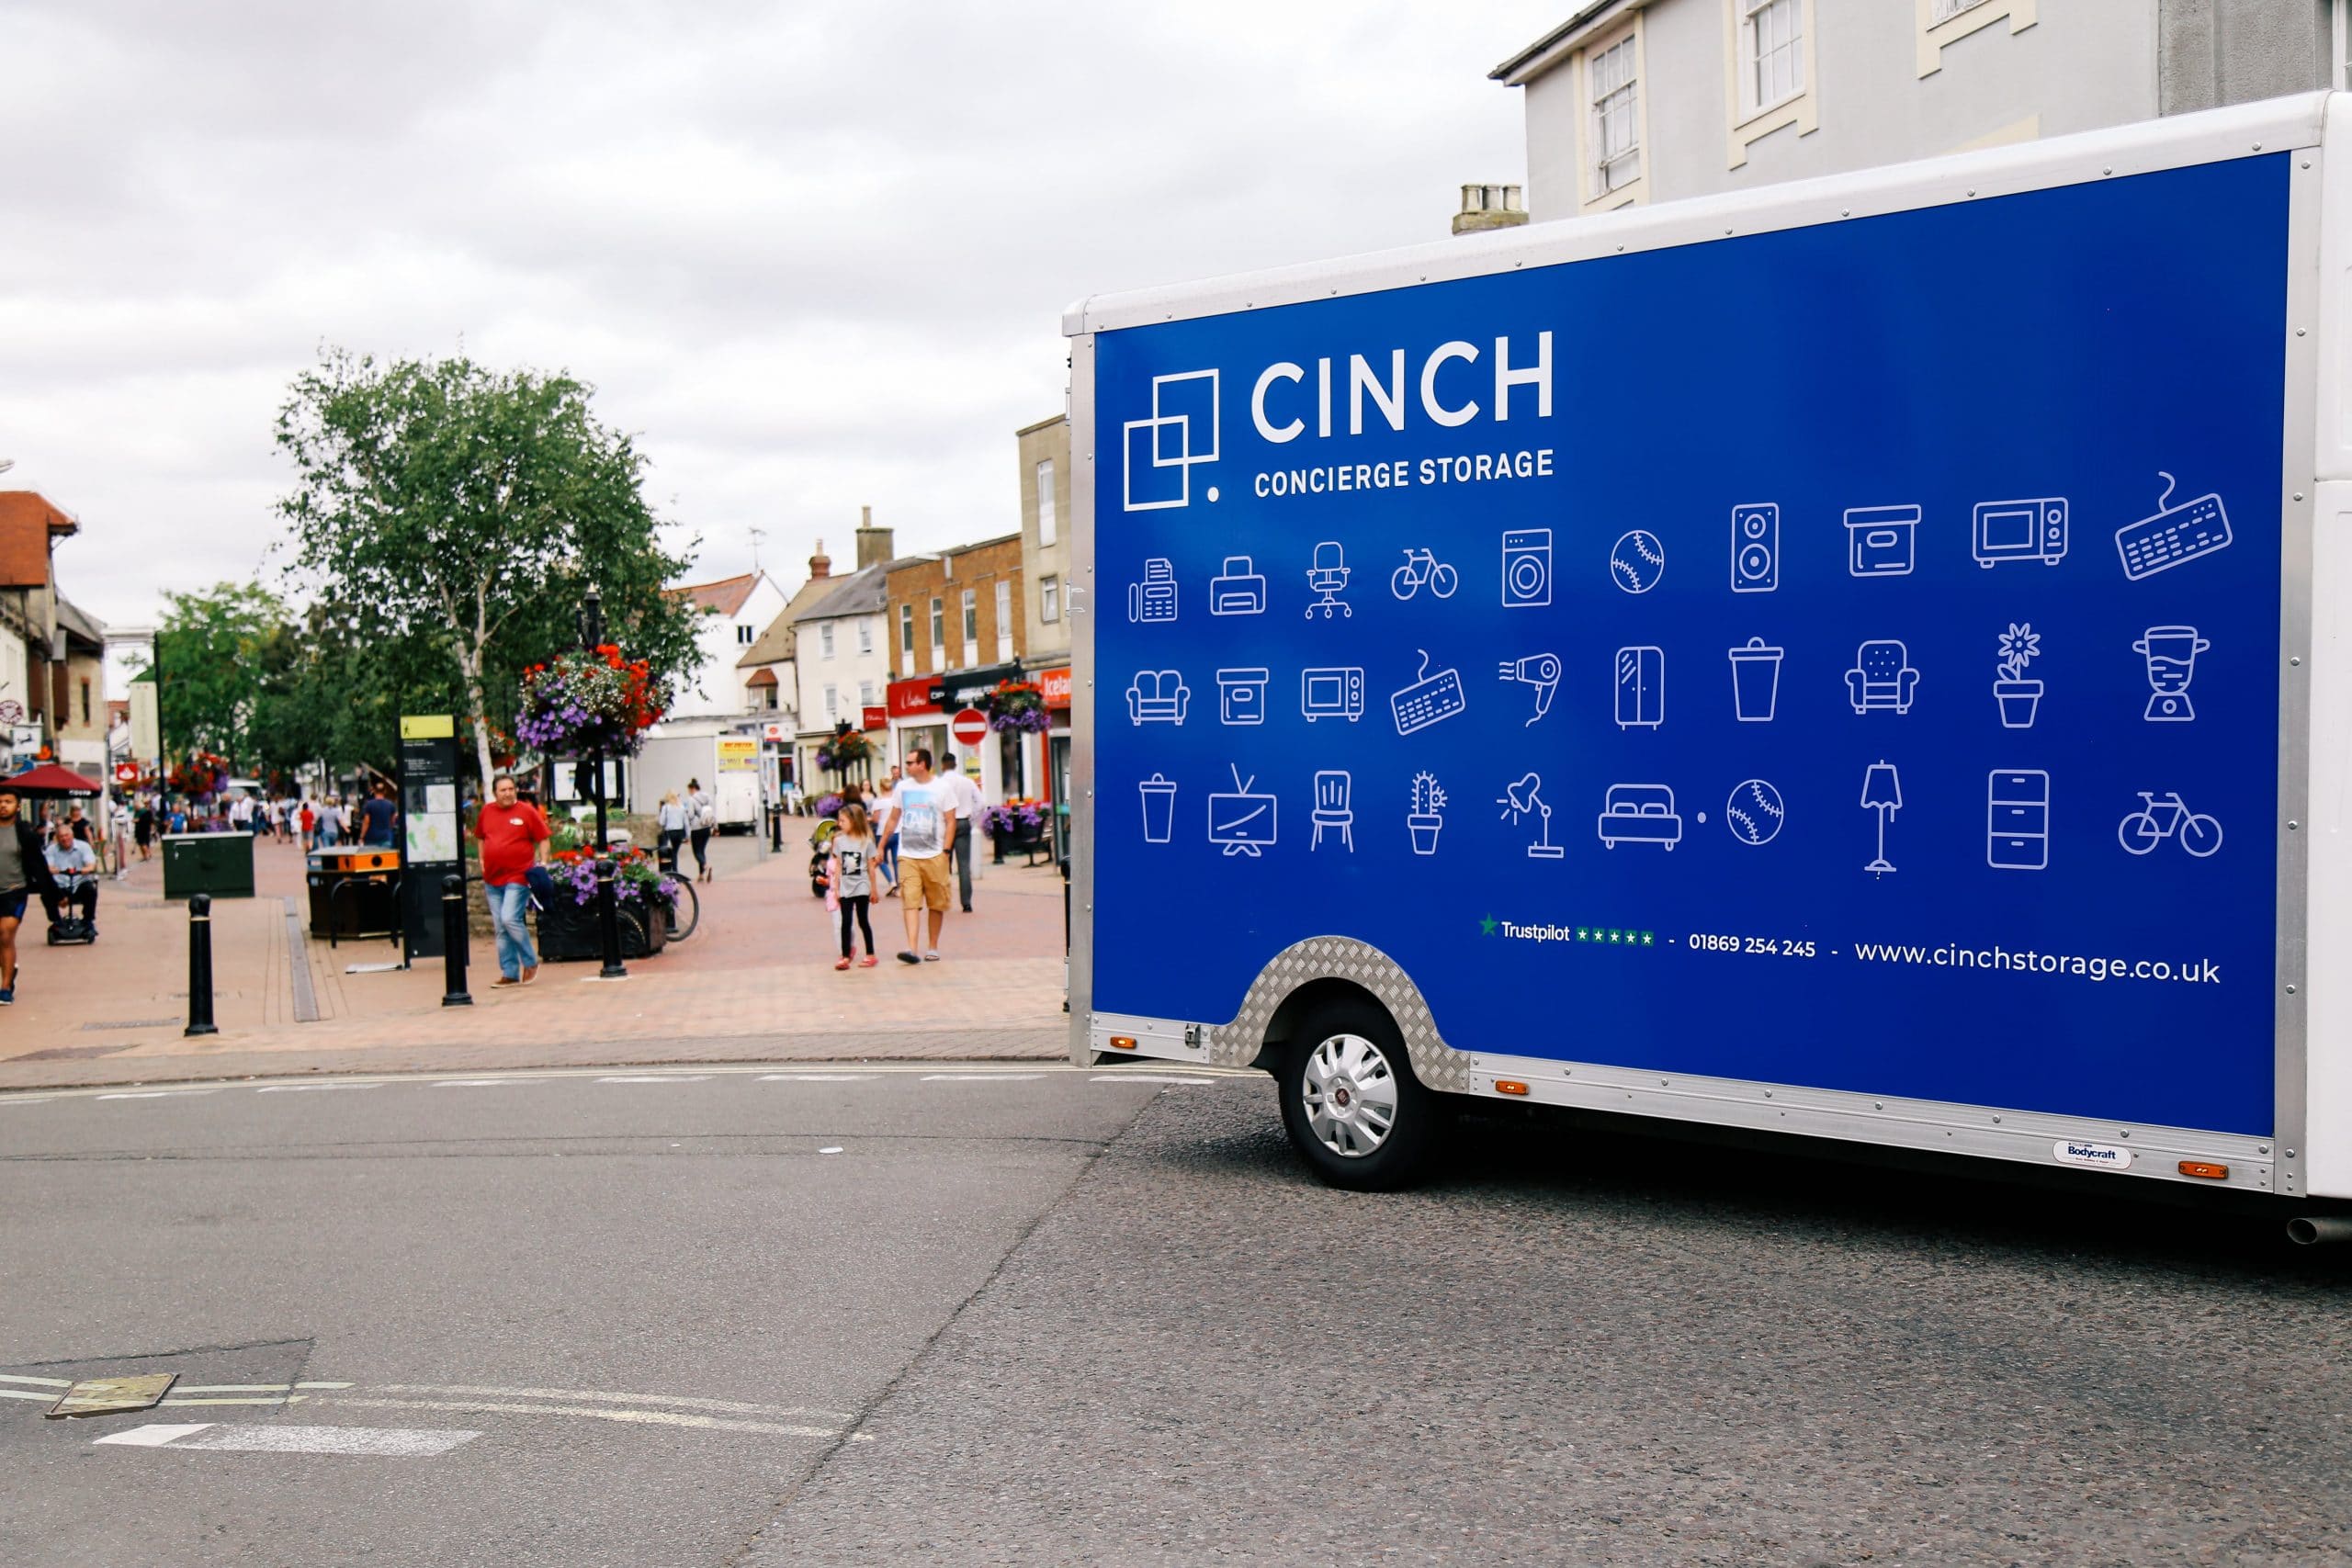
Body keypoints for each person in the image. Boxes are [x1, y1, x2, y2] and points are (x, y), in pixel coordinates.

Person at [876, 748, 956, 964]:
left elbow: (951, 821)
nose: (907, 766)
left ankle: (933, 947)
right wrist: (881, 846)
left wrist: (946, 851)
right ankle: (911, 948)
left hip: (935, 853)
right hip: (908, 854)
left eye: (910, 762)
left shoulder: (942, 788)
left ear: (922, 764)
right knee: (910, 901)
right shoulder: (902, 788)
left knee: (936, 903)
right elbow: (893, 819)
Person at [472, 773, 550, 987]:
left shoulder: (526, 811)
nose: (507, 793)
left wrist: (543, 862)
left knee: (509, 919)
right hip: (493, 878)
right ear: (494, 793)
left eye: (510, 789)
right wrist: (481, 860)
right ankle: (509, 972)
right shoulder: (487, 811)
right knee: (500, 927)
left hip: (519, 875)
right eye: (503, 790)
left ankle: (530, 961)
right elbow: (480, 837)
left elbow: (543, 838)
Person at [0, 788, 55, 1004]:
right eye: (0, 801)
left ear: (17, 805)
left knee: (5, 934)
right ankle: (9, 968)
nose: (3, 805)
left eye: (8, 801)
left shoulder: (24, 833)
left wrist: (53, 896)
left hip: (15, 890)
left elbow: (39, 867)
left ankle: (5, 988)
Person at [826, 801, 878, 970]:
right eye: (839, 821)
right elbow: (839, 865)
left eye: (843, 821)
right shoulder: (839, 842)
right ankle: (845, 955)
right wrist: (836, 888)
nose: (839, 824)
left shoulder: (866, 842)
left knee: (863, 920)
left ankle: (870, 953)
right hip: (846, 888)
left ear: (854, 822)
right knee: (845, 921)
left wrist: (874, 889)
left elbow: (871, 868)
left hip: (862, 886)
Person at [937, 763, 983, 913]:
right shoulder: (967, 781)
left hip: (945, 824)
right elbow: (981, 803)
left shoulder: (939, 783)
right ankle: (967, 902)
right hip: (963, 821)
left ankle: (944, 898)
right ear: (956, 765)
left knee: (944, 863)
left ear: (942, 765)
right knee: (964, 865)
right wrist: (971, 819)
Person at [42, 821, 97, 934]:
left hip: (78, 883)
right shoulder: (51, 850)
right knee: (46, 894)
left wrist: (86, 869)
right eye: (61, 836)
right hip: (60, 886)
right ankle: (56, 921)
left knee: (90, 890)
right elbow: (48, 866)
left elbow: (91, 864)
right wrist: (53, 869)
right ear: (57, 838)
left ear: (72, 836)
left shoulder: (83, 846)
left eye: (67, 835)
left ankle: (88, 921)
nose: (64, 839)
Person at [870, 768, 900, 897]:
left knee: (880, 859)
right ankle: (899, 887)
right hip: (896, 832)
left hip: (882, 833)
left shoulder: (878, 802)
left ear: (881, 787)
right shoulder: (895, 800)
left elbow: (876, 819)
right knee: (896, 860)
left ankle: (891, 881)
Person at [684, 778, 714, 884]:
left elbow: (691, 815)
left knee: (697, 852)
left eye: (689, 790)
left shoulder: (691, 799)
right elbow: (711, 811)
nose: (688, 792)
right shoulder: (707, 797)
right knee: (702, 851)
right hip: (707, 827)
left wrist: (687, 816)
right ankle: (701, 875)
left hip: (696, 828)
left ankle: (706, 866)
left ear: (692, 789)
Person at [656, 790, 688, 871]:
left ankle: (670, 871)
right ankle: (675, 871)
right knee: (675, 852)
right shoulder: (682, 807)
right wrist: (688, 835)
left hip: (670, 833)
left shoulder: (666, 807)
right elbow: (686, 823)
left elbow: (661, 822)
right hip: (680, 832)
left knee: (668, 853)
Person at [360, 783, 399, 847]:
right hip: (386, 838)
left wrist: (361, 836)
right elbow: (393, 821)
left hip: (371, 838)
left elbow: (366, 822)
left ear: (374, 791)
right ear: (385, 791)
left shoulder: (369, 805)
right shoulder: (391, 805)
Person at [134, 798, 155, 862]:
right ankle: (145, 856)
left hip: (142, 830)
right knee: (143, 843)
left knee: (143, 843)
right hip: (142, 830)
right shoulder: (141, 811)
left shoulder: (144, 812)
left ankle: (148, 854)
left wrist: (152, 828)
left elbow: (140, 820)